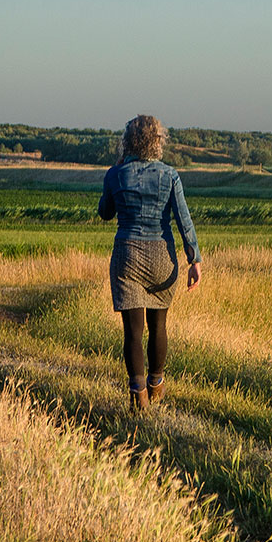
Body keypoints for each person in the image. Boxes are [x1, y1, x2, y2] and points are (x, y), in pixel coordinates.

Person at [98, 115, 202, 412]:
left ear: (128, 141)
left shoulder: (115, 174)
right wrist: (194, 259)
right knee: (158, 327)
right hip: (162, 256)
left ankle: (138, 397)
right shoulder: (169, 175)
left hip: (128, 254)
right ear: (158, 141)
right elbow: (184, 219)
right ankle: (157, 387)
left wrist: (115, 181)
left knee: (133, 332)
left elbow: (105, 212)